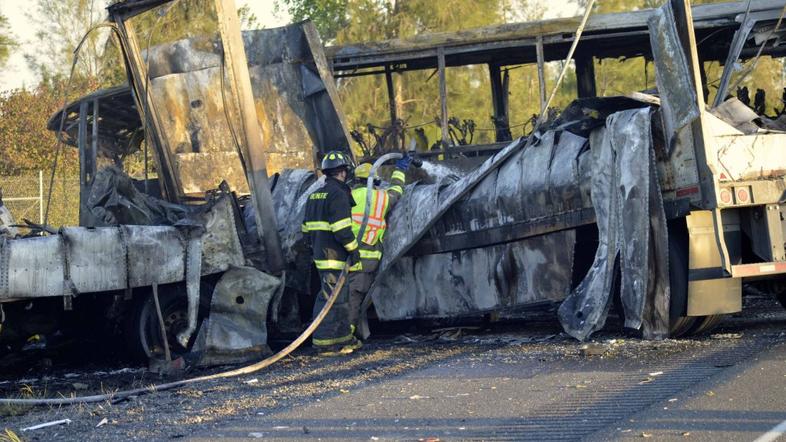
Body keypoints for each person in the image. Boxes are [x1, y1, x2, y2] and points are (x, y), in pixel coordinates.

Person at [301, 150, 363, 356]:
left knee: (338, 298)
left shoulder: (314, 195)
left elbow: (305, 229)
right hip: (334, 255)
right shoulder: (338, 194)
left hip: (321, 254)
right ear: (343, 172)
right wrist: (354, 250)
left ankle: (343, 340)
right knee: (330, 299)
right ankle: (324, 343)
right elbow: (342, 229)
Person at [347, 155, 411, 332]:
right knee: (356, 294)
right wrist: (400, 170)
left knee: (345, 294)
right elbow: (396, 190)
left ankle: (347, 331)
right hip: (367, 256)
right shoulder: (380, 198)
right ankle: (347, 333)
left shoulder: (347, 196)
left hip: (345, 253)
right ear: (375, 181)